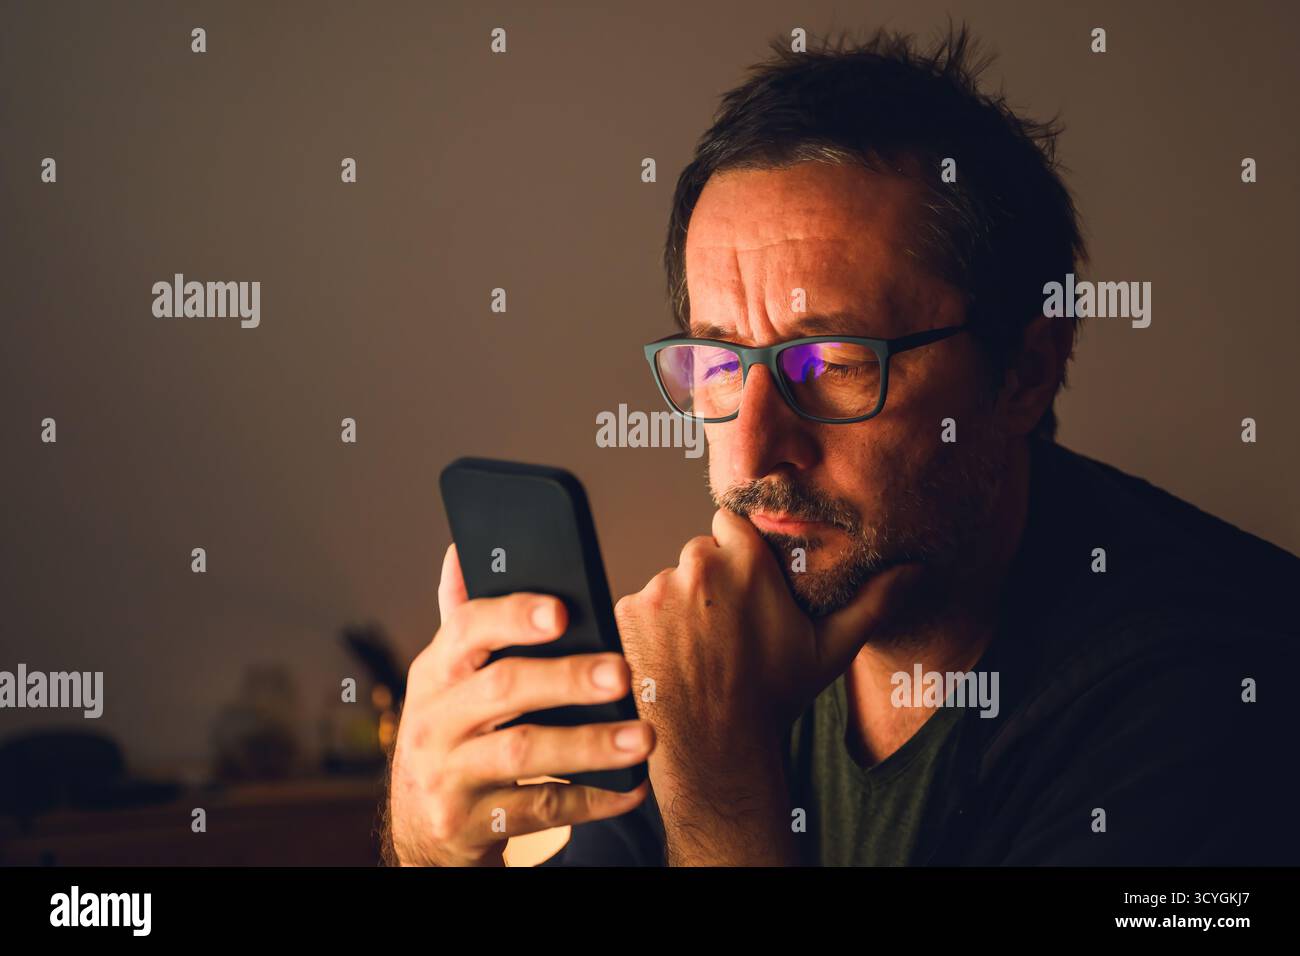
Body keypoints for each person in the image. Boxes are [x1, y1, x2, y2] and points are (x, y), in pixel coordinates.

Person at [382, 24, 1300, 867]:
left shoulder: (1222, 693)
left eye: (832, 364)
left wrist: (719, 794)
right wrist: (431, 846)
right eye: (719, 362)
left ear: (1024, 370)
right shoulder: (736, 641)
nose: (751, 454)